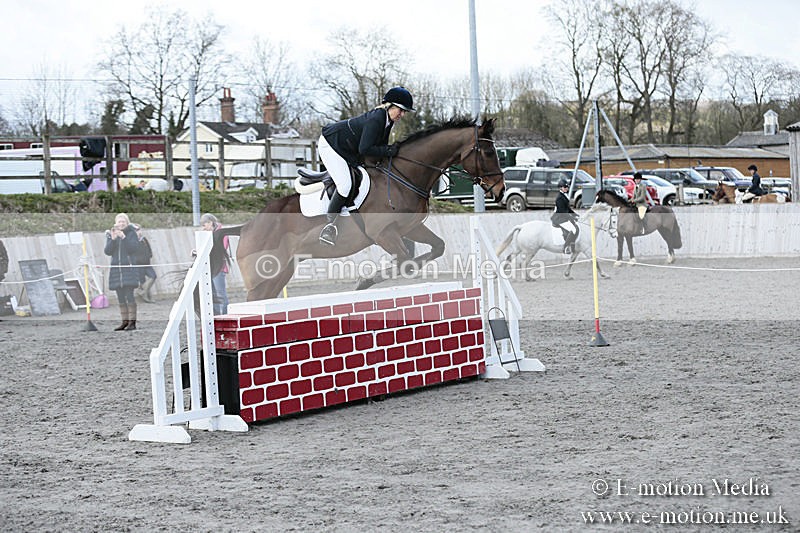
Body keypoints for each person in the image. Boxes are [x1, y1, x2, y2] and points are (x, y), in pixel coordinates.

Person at [318, 86, 414, 245]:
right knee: (345, 185)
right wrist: (391, 150)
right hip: (331, 145)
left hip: (349, 149)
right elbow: (366, 149)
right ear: (390, 106)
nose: (402, 114)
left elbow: (379, 148)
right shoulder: (376, 119)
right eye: (401, 110)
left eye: (405, 112)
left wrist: (390, 153)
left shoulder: (388, 121)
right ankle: (329, 226)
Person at [104, 213, 143, 331]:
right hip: (116, 270)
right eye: (119, 222)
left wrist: (123, 238)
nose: (121, 224)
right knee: (120, 297)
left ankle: (132, 322)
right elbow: (107, 251)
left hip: (129, 269)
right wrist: (113, 239)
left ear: (127, 223)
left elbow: (133, 248)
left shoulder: (131, 233)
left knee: (129, 296)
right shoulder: (111, 234)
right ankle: (124, 321)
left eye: (123, 222)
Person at [200, 213, 230, 315]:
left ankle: (226, 316)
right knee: (213, 295)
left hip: (219, 268)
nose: (203, 228)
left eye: (204, 225)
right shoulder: (209, 234)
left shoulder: (222, 234)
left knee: (221, 295)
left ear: (210, 223)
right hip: (211, 268)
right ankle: (216, 317)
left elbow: (221, 250)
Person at [551, 178, 579, 254]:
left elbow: (568, 208)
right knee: (573, 229)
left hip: (563, 216)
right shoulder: (559, 198)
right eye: (565, 187)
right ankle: (565, 247)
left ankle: (572, 246)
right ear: (561, 188)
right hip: (559, 217)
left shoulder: (564, 196)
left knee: (576, 227)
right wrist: (572, 217)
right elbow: (562, 211)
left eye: (567, 187)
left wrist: (575, 214)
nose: (566, 188)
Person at [134, 226, 157, 304]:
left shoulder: (144, 239)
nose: (139, 232)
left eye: (139, 230)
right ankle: (146, 297)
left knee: (153, 276)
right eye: (137, 231)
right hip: (138, 264)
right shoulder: (133, 241)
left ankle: (141, 292)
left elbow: (149, 248)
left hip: (147, 263)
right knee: (142, 280)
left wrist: (150, 255)